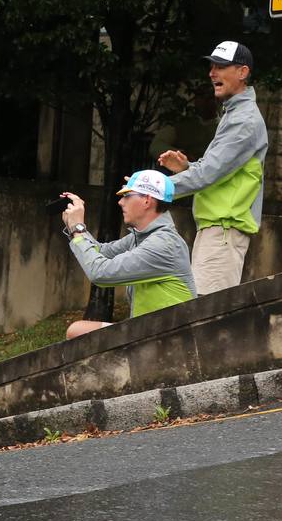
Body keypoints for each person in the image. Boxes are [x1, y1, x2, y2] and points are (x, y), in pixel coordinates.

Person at [156, 40, 268, 295]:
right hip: (218, 231)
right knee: (204, 318)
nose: (212, 72)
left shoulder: (244, 120)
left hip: (224, 231)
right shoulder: (234, 114)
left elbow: (209, 173)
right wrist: (188, 167)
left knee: (207, 322)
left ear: (243, 72)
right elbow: (219, 170)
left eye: (221, 66)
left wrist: (153, 189)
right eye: (212, 66)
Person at [57, 170, 195, 339]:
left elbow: (101, 273)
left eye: (127, 196)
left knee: (78, 332)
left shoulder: (164, 244)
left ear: (147, 200)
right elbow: (100, 252)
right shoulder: (142, 237)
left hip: (170, 338)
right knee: (77, 331)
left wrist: (78, 229)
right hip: (150, 330)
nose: (121, 202)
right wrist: (76, 227)